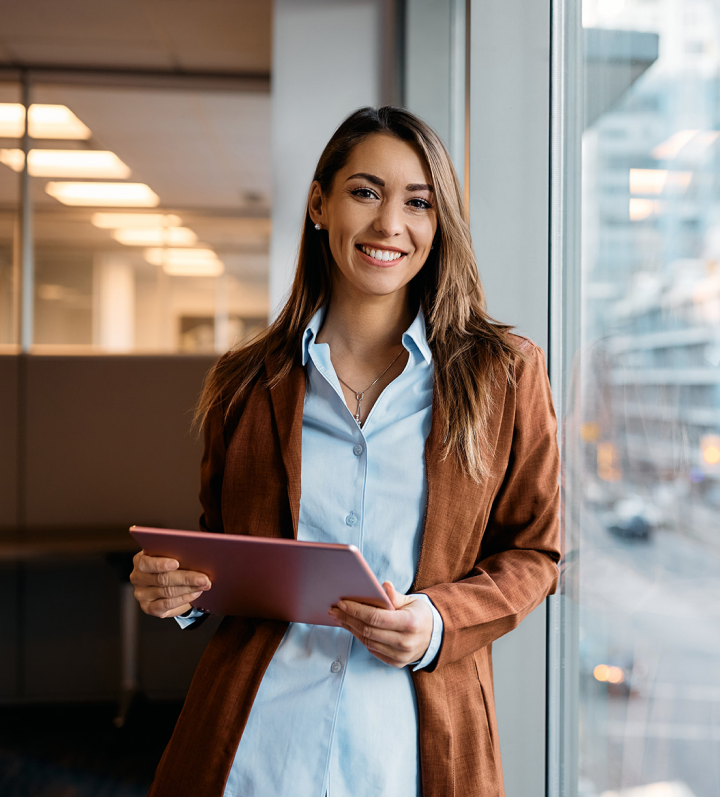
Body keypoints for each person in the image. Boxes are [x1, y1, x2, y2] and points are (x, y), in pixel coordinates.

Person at [130, 106, 561, 797]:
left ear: (438, 221)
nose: (391, 224)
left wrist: (436, 621)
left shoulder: (505, 374)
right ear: (319, 204)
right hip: (255, 750)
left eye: (418, 202)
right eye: (366, 192)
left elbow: (535, 554)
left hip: (412, 752)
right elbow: (223, 545)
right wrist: (177, 589)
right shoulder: (246, 382)